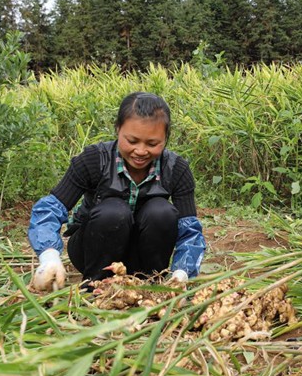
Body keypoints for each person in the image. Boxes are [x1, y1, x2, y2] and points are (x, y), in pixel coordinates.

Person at [28, 92, 206, 291]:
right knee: (114, 213)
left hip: (144, 256)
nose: (140, 151)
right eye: (132, 141)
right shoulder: (94, 160)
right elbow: (49, 210)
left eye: (152, 144)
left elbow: (190, 231)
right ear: (117, 129)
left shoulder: (176, 169)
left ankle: (151, 286)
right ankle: (94, 287)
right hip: (93, 250)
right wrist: (49, 256)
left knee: (161, 212)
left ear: (166, 139)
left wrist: (182, 272)